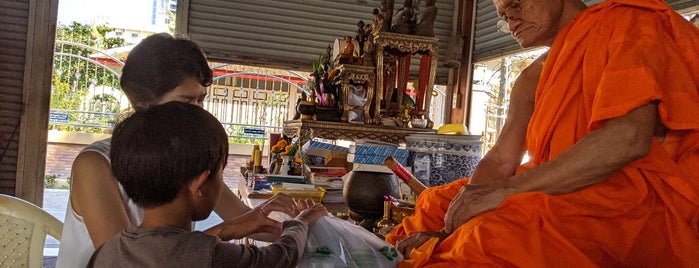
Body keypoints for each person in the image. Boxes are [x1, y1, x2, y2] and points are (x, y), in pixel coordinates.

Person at [386, 0, 699, 266]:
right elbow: (500, 161)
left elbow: (628, 138)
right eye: (504, 16)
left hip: (631, 197)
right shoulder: (531, 78)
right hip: (558, 189)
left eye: (516, 4)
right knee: (434, 205)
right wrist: (449, 225)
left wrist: (505, 193)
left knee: (492, 235)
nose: (511, 22)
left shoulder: (628, 22)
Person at [57, 33, 298, 268]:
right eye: (186, 101)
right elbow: (132, 259)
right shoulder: (95, 164)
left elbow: (245, 217)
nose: (198, 112)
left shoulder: (189, 155)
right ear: (142, 103)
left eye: (201, 100)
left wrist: (302, 224)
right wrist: (224, 232)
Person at [87, 102, 328, 267]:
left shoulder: (106, 253)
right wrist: (301, 222)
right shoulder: (209, 255)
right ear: (200, 184)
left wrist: (225, 230)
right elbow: (280, 258)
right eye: (220, 174)